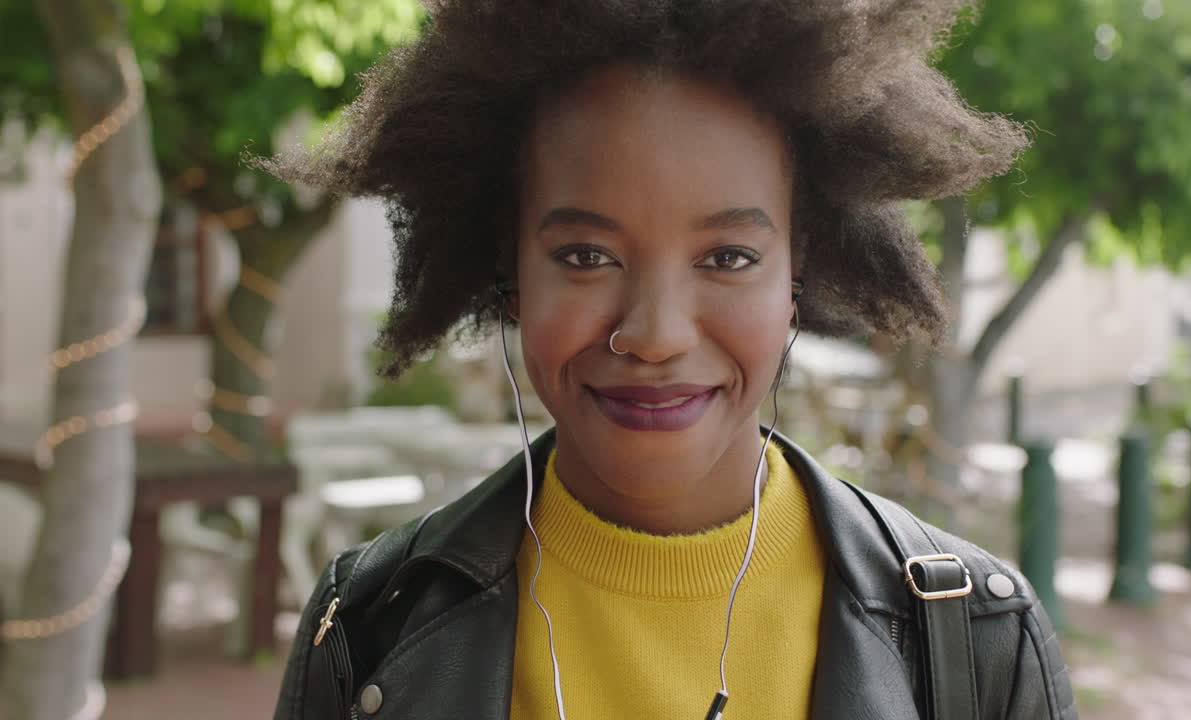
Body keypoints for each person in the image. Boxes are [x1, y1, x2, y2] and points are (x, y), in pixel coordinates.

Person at [264, 1, 1076, 719]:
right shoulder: (370, 625)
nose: (654, 334)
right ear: (508, 270)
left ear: (799, 269)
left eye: (727, 258)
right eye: (585, 255)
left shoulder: (972, 640)